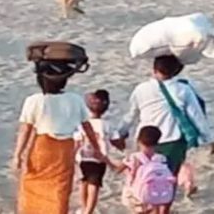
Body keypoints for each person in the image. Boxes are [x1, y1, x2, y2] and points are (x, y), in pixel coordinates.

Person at [14, 58, 103, 214]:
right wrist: (97, 149)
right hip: (65, 150)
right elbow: (87, 127)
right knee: (60, 190)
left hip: (41, 149)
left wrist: (18, 154)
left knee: (32, 186)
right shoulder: (75, 100)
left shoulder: (33, 101)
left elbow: (25, 130)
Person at [118, 55, 214, 178]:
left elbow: (131, 115)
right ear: (176, 71)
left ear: (154, 70)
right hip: (173, 141)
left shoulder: (141, 89)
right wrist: (209, 139)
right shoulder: (183, 89)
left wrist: (120, 134)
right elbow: (196, 116)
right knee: (168, 178)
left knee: (143, 177)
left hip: (145, 140)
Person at [108, 125, 176, 214]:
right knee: (154, 210)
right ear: (157, 143)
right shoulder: (161, 158)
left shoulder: (134, 157)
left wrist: (106, 160)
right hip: (154, 193)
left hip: (135, 192)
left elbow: (118, 170)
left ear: (138, 141)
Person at [75, 90, 123, 214]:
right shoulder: (107, 125)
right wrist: (123, 143)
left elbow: (77, 141)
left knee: (84, 183)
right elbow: (116, 141)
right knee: (94, 186)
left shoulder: (82, 124)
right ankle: (89, 211)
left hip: (82, 158)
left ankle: (84, 208)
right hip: (99, 159)